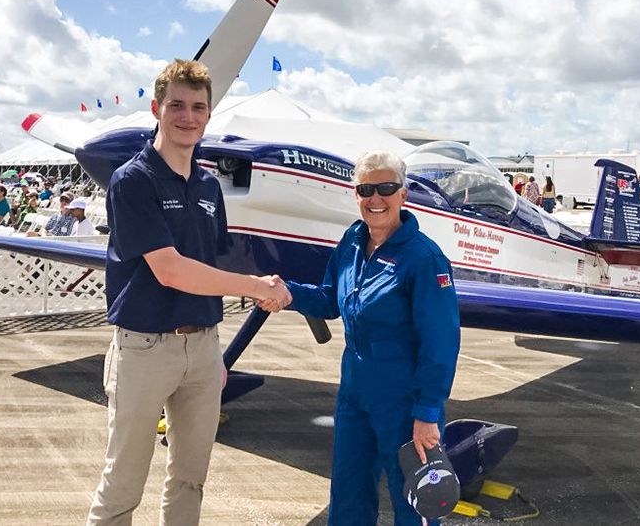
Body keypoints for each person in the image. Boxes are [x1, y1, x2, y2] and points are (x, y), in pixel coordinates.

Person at [86, 58, 290, 526]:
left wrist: (212, 353)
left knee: (190, 480)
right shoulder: (133, 180)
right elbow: (173, 271)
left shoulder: (206, 186)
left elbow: (207, 264)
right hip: (143, 347)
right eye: (176, 105)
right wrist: (256, 287)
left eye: (198, 107)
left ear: (208, 114)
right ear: (157, 109)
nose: (188, 116)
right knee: (122, 486)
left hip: (202, 348)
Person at [267, 150, 461, 526]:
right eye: (366, 189)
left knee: (414, 502)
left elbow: (441, 342)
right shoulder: (353, 243)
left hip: (403, 397)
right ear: (355, 195)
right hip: (355, 391)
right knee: (349, 491)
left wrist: (427, 412)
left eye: (386, 188)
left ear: (403, 195)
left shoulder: (424, 259)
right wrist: (288, 293)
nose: (376, 198)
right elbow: (329, 298)